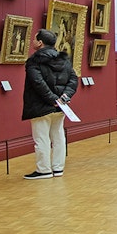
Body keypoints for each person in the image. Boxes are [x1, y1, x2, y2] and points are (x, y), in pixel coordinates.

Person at [21, 28, 79, 179]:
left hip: (41, 105)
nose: (32, 41)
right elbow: (73, 79)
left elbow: (38, 83)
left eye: (34, 39)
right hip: (60, 106)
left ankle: (44, 169)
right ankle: (58, 168)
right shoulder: (64, 59)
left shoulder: (34, 61)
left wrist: (53, 99)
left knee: (41, 138)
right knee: (58, 136)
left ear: (40, 43)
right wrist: (63, 98)